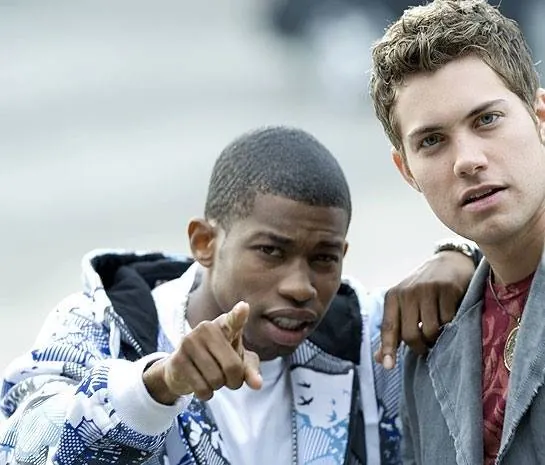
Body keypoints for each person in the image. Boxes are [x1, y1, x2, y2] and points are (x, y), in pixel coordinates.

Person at [0, 126, 477, 465]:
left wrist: (467, 261)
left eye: (324, 258)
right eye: (271, 251)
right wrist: (156, 388)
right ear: (205, 242)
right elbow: (22, 450)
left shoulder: (373, 340)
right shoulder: (100, 328)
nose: (301, 286)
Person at [370, 0, 545, 463]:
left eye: (486, 120)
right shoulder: (428, 339)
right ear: (407, 171)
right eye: (432, 141)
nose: (467, 160)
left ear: (540, 117)